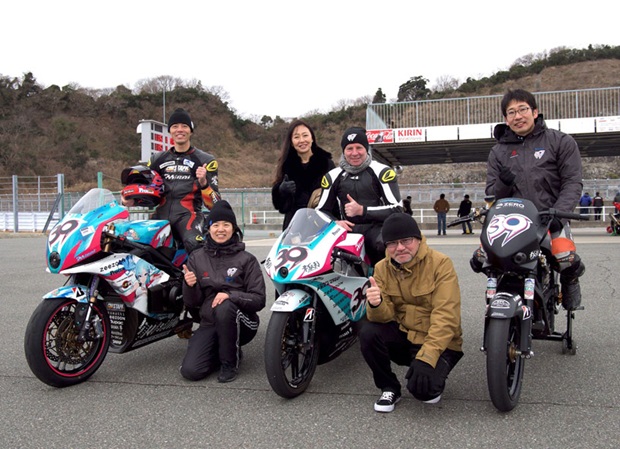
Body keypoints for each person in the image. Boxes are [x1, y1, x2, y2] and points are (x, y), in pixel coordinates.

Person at [483, 88, 585, 310]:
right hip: (513, 223)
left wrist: (559, 214)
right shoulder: (498, 152)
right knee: (482, 258)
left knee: (566, 258)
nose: (517, 116)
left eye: (523, 109)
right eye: (511, 112)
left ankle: (570, 280)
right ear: (505, 119)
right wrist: (504, 184)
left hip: (551, 218)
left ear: (535, 111)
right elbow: (491, 193)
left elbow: (572, 182)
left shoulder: (560, 141)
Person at [359, 213, 463, 412]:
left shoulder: (441, 264)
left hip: (440, 343)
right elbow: (385, 317)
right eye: (392, 243)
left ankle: (427, 368)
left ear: (418, 239)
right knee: (368, 331)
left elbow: (446, 316)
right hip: (405, 336)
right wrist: (376, 304)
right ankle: (389, 387)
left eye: (406, 240)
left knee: (424, 392)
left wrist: (427, 357)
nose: (399, 248)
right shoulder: (381, 268)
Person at [180, 200, 266, 383]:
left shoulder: (247, 260)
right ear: (209, 228)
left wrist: (231, 295)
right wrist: (189, 285)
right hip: (210, 321)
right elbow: (192, 303)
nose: (221, 229)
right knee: (191, 371)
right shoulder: (197, 257)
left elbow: (259, 300)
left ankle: (230, 363)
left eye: (226, 225)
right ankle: (221, 351)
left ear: (233, 229)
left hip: (243, 321)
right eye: (216, 225)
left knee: (225, 307)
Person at [122, 108, 221, 254]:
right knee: (129, 242)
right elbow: (150, 195)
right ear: (170, 131)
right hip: (159, 216)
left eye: (184, 126)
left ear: (191, 131)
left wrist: (204, 183)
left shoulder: (206, 160)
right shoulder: (157, 160)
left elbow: (215, 204)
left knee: (194, 244)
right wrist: (131, 201)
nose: (179, 130)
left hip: (188, 217)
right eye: (175, 126)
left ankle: (201, 276)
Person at [316, 126, 402, 265]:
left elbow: (397, 209)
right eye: (349, 148)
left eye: (359, 148)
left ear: (366, 149)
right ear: (343, 151)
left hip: (376, 230)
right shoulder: (332, 176)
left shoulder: (382, 171)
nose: (354, 153)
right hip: (347, 231)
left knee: (387, 245)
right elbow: (321, 211)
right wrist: (335, 223)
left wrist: (362, 211)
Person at [271, 120, 335, 230]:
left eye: (305, 135)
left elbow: (335, 196)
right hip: (294, 226)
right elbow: (281, 207)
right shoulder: (286, 165)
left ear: (312, 138)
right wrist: (281, 191)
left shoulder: (326, 163)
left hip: (321, 224)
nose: (302, 140)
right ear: (291, 142)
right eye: (296, 137)